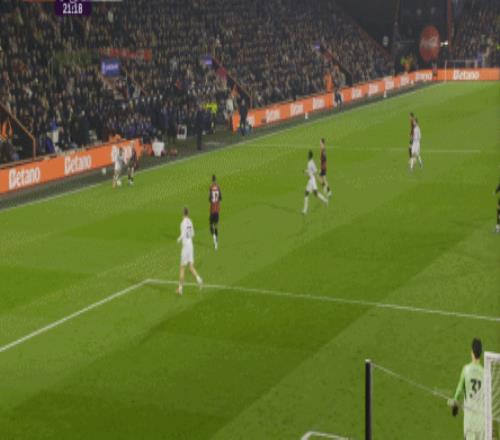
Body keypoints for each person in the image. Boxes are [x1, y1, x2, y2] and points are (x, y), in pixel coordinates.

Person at [448, 338, 484, 440]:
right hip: (481, 423)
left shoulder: (466, 369)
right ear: (481, 353)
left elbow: (459, 390)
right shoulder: (485, 373)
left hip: (469, 422)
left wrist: (454, 404)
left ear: (471, 352)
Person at [176, 207, 203, 295]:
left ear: (183, 213)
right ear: (188, 213)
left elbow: (183, 234)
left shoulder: (182, 223)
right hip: (191, 245)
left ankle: (180, 289)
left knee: (182, 268)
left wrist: (178, 239)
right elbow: (193, 234)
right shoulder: (190, 221)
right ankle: (199, 280)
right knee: (190, 267)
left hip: (185, 247)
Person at [303, 150, 328, 214]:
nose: (307, 156)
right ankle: (305, 210)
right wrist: (306, 171)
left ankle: (325, 200)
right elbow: (310, 170)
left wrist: (320, 181)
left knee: (314, 193)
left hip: (312, 180)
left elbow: (315, 172)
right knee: (307, 193)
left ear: (310, 156)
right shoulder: (309, 162)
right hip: (310, 180)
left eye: (308, 155)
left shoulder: (311, 163)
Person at [209, 174, 222, 250]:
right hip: (217, 210)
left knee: (211, 226)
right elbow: (220, 198)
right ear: (216, 179)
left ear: (212, 180)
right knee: (216, 226)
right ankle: (216, 240)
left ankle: (214, 240)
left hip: (212, 210)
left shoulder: (211, 187)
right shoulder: (218, 187)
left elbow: (210, 199)